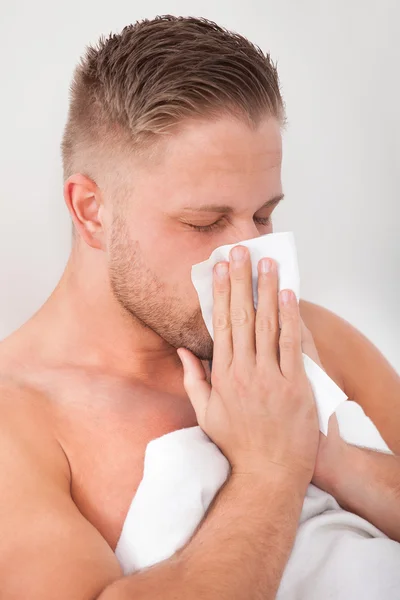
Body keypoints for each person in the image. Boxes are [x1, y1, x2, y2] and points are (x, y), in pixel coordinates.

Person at [0, 15, 399, 600]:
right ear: (91, 211)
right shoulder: (21, 421)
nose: (248, 252)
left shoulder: (311, 338)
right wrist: (269, 473)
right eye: (205, 222)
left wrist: (332, 457)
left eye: (263, 214)